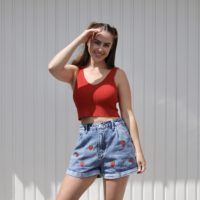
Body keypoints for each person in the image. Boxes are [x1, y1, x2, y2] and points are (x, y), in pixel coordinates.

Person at [48, 22, 146, 200]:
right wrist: (80, 38)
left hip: (117, 139)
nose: (100, 48)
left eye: (106, 45)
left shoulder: (118, 74)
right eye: (97, 42)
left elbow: (128, 113)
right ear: (88, 43)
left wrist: (138, 151)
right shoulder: (75, 73)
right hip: (88, 139)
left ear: (111, 48)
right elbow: (53, 67)